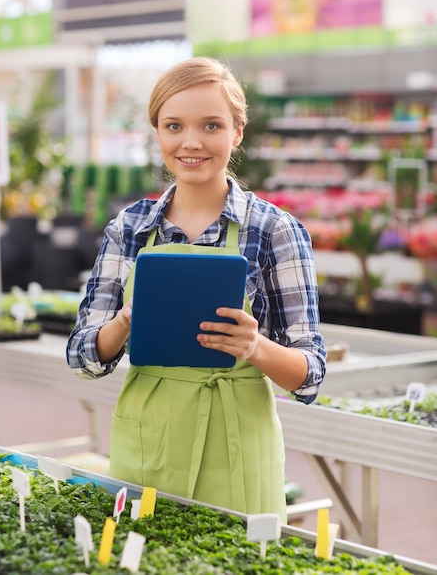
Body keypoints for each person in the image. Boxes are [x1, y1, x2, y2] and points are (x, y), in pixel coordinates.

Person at [66, 56, 326, 521]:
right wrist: (125, 322)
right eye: (173, 126)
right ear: (158, 133)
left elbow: (309, 377)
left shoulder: (275, 231)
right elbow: (84, 357)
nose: (191, 142)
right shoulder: (128, 228)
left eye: (211, 125)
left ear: (236, 133)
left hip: (238, 446)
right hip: (148, 439)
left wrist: (254, 346)